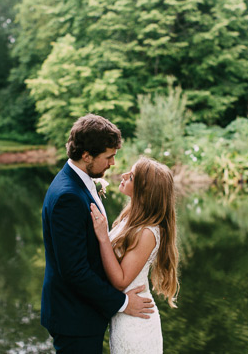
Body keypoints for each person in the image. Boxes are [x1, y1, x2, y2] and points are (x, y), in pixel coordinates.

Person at [41, 114, 155, 354]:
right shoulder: (67, 197)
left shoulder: (79, 181)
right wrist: (123, 303)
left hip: (85, 313)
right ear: (86, 156)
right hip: (74, 317)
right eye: (109, 156)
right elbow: (74, 270)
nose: (113, 163)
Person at [90, 156, 180, 353]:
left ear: (144, 190)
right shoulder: (130, 217)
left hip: (137, 322)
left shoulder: (148, 232)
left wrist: (103, 237)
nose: (123, 175)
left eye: (131, 177)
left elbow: (121, 280)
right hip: (125, 313)